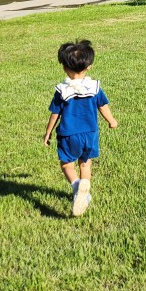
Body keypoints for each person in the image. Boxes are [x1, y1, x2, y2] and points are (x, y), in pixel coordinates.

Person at [43, 39, 118, 217]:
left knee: (67, 164)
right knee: (85, 162)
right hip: (90, 132)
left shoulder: (62, 90)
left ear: (64, 67)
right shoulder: (94, 87)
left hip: (68, 134)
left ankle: (77, 186)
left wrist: (47, 133)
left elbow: (55, 114)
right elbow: (103, 107)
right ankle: (85, 187)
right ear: (89, 66)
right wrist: (112, 120)